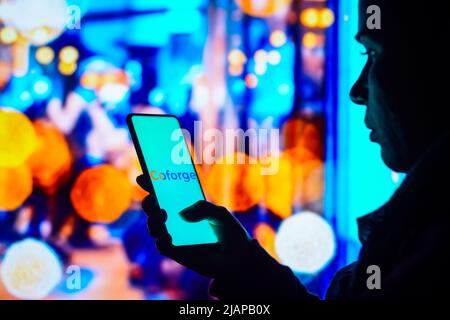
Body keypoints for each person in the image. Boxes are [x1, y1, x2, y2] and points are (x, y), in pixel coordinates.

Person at [137, 0, 450, 299]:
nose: (356, 91)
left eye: (374, 53)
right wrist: (238, 261)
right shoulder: (412, 229)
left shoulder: (425, 244)